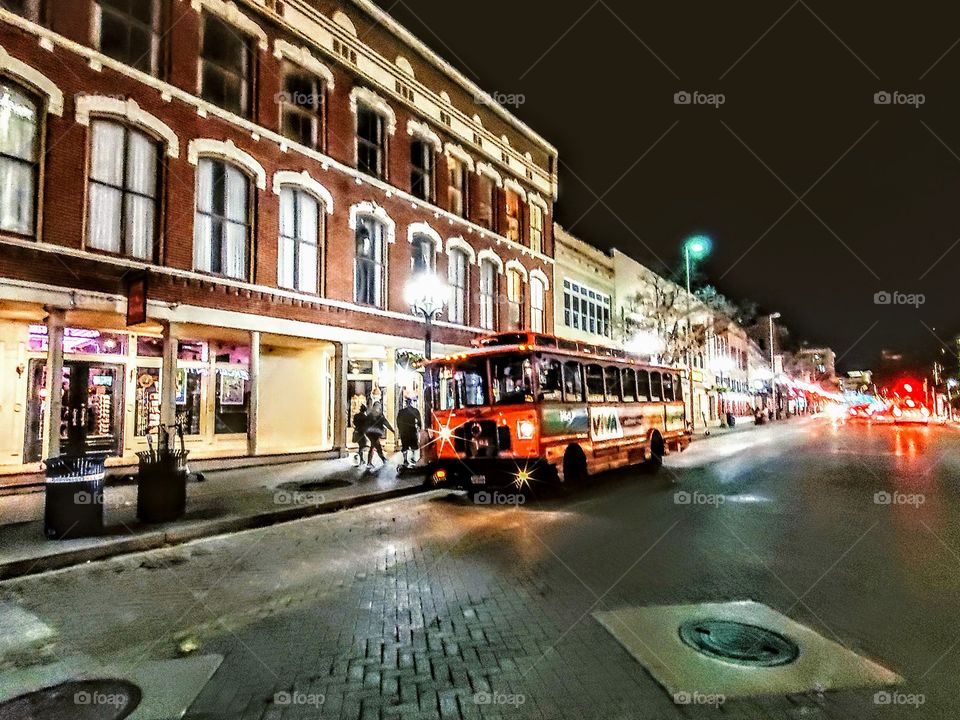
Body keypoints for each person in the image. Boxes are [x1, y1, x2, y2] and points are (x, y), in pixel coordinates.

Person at [364, 401, 395, 470]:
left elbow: (386, 423)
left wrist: (392, 430)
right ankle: (383, 459)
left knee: (373, 447)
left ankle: (369, 463)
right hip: (372, 434)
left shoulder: (377, 415)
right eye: (377, 406)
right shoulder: (374, 415)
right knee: (378, 447)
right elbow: (385, 423)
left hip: (373, 433)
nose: (378, 408)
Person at [396, 398, 422, 467]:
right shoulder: (414, 411)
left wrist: (400, 429)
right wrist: (419, 427)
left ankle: (405, 460)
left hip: (404, 431)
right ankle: (412, 458)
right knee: (413, 445)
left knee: (405, 446)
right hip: (411, 430)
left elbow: (398, 421)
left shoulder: (401, 412)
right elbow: (419, 420)